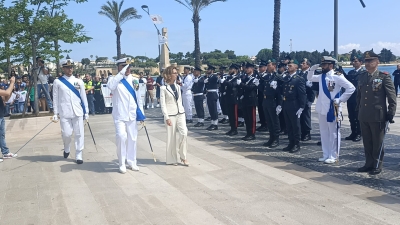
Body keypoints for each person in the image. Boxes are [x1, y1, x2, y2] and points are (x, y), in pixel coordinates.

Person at [307, 56, 355, 164]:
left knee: (334, 133)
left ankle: (334, 156)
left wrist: (341, 99)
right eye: (322, 65)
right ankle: (325, 154)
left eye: (324, 65)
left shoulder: (337, 76)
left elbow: (351, 88)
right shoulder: (321, 77)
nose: (322, 67)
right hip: (322, 108)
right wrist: (311, 69)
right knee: (323, 132)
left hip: (334, 107)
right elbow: (310, 78)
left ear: (331, 66)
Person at [356, 50, 397, 175]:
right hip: (364, 114)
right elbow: (359, 95)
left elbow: (392, 97)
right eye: (366, 61)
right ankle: (368, 164)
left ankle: (377, 165)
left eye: (370, 61)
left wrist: (391, 113)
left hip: (377, 115)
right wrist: (358, 109)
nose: (367, 63)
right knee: (367, 141)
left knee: (377, 142)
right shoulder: (362, 76)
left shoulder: (384, 76)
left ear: (377, 62)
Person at [108, 58, 144, 174]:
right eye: (124, 66)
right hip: (119, 114)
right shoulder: (114, 79)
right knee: (121, 136)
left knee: (132, 138)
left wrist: (141, 114)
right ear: (119, 67)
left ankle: (132, 161)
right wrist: (121, 73)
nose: (127, 69)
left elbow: (139, 98)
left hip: (132, 114)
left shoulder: (135, 80)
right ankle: (122, 162)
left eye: (128, 67)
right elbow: (111, 87)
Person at [52, 59, 89, 164]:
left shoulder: (79, 81)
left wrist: (86, 112)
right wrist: (55, 113)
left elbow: (83, 97)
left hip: (78, 111)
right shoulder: (58, 82)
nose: (70, 69)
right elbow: (55, 98)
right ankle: (67, 146)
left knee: (79, 133)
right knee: (66, 134)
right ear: (63, 69)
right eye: (67, 67)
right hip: (65, 112)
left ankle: (78, 154)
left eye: (71, 67)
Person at [160, 66, 189, 166]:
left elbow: (179, 101)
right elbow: (163, 104)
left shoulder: (177, 86)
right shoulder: (163, 88)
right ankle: (172, 159)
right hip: (170, 114)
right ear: (169, 75)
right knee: (171, 137)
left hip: (180, 113)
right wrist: (166, 117)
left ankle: (183, 156)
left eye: (176, 73)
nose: (176, 74)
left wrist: (182, 111)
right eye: (174, 73)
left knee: (184, 133)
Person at [281, 60, 306, 153]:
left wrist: (302, 107)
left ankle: (296, 144)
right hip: (286, 104)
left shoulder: (298, 79)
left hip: (294, 105)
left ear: (296, 67)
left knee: (296, 126)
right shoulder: (287, 77)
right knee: (289, 125)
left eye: (290, 65)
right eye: (288, 65)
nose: (288, 67)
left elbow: (302, 94)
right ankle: (291, 143)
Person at [261, 59, 282, 148]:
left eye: (269, 65)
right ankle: (271, 138)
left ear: (274, 66)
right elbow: (262, 89)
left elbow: (281, 92)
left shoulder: (278, 77)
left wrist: (280, 104)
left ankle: (276, 139)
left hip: (273, 101)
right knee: (269, 121)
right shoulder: (267, 76)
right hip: (266, 101)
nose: (267, 67)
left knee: (275, 122)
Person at [344, 55, 365, 142]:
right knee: (351, 116)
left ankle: (359, 133)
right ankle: (353, 132)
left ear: (361, 63)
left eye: (356, 61)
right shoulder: (350, 72)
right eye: (353, 61)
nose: (354, 63)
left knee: (358, 116)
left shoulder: (363, 73)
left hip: (358, 97)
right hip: (351, 97)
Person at [239, 62, 259, 141]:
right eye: (246, 68)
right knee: (247, 118)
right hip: (245, 100)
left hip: (251, 100)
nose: (246, 69)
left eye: (248, 68)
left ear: (252, 69)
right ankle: (248, 132)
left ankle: (252, 133)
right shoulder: (245, 78)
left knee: (252, 118)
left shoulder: (255, 78)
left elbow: (251, 88)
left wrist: (242, 85)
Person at [0, 76, 17, 161]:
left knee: (1, 135)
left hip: (1, 115)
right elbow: (6, 93)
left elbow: (6, 98)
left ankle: (5, 152)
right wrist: (12, 83)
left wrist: (11, 89)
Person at [298, 58, 315, 141]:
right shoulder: (300, 73)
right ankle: (302, 132)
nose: (301, 64)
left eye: (303, 63)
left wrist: (311, 100)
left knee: (306, 117)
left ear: (308, 65)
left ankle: (307, 133)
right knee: (300, 116)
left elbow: (312, 89)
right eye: (301, 63)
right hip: (299, 98)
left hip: (307, 98)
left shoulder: (310, 74)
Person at [223, 64, 241, 136]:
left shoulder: (237, 78)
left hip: (234, 98)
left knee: (234, 114)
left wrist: (224, 82)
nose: (230, 70)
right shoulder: (229, 77)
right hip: (228, 98)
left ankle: (235, 129)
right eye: (230, 69)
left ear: (236, 70)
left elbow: (232, 85)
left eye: (231, 69)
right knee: (230, 114)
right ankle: (232, 128)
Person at [204, 65, 219, 131]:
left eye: (209, 70)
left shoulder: (214, 76)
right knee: (211, 109)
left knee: (214, 109)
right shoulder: (209, 77)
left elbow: (209, 81)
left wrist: (207, 79)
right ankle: (212, 123)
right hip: (209, 94)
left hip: (213, 94)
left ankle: (215, 124)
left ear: (212, 70)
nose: (207, 71)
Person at [256, 62, 268, 132]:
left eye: (261, 67)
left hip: (263, 95)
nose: (259, 68)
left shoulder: (266, 76)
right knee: (260, 110)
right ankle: (262, 123)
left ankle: (265, 125)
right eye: (259, 67)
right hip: (259, 96)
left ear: (265, 68)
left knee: (264, 111)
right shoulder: (259, 75)